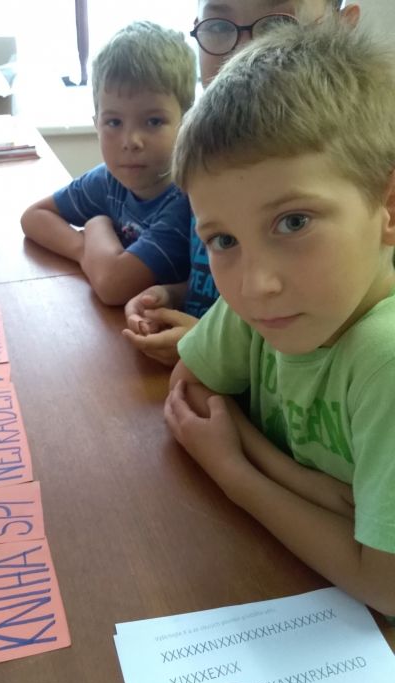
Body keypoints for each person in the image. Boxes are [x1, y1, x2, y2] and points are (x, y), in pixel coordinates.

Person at [164, 18, 395, 615]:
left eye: (293, 222)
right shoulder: (270, 303)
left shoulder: (385, 358)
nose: (254, 284)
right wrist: (293, 478)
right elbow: (189, 389)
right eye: (223, 240)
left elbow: (386, 587)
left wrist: (235, 474)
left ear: (388, 209)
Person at [123, 0, 360, 367]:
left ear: (342, 27)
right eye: (219, 26)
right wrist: (174, 295)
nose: (243, 53)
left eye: (279, 23)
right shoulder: (211, 164)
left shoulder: (358, 184)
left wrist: (214, 348)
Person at [20, 21, 197, 306]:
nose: (131, 141)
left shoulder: (186, 202)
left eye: (153, 121)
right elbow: (33, 217)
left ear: (187, 123)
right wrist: (85, 252)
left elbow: (113, 286)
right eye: (114, 122)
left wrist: (96, 225)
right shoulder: (108, 180)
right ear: (97, 125)